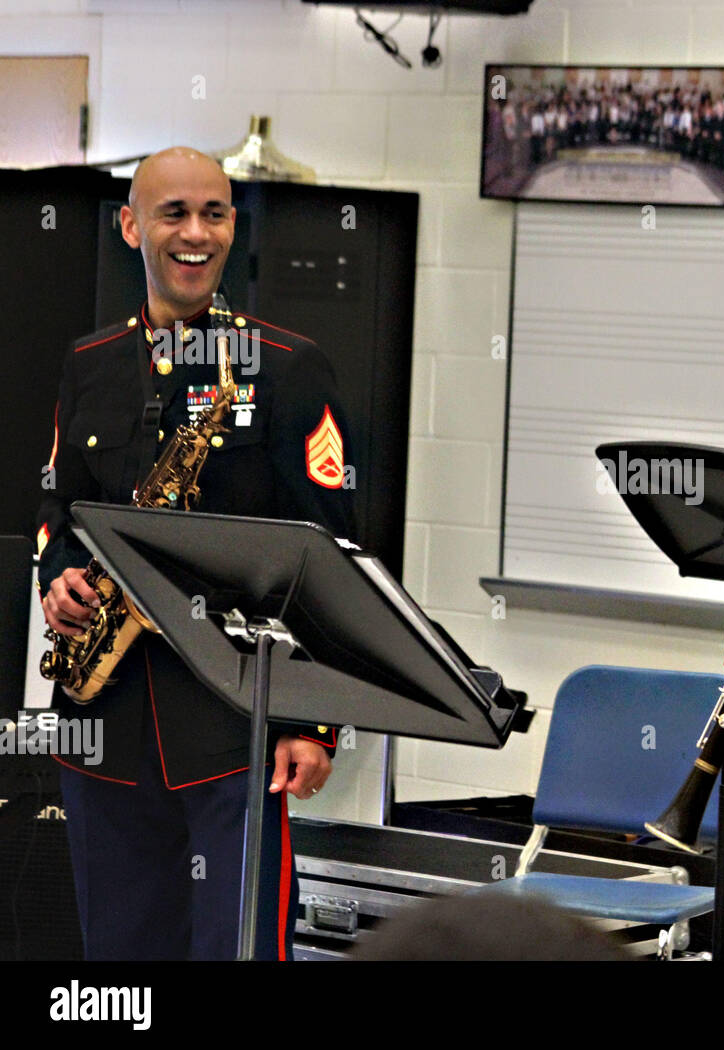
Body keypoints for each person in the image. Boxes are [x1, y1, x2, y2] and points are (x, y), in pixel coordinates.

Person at [36, 146, 355, 961]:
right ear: (130, 225)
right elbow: (58, 508)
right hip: (104, 729)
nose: (195, 233)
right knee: (118, 972)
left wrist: (312, 722)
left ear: (233, 226)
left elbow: (332, 558)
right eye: (173, 213)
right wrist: (57, 576)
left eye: (214, 213)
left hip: (233, 731)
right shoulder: (90, 363)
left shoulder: (288, 368)